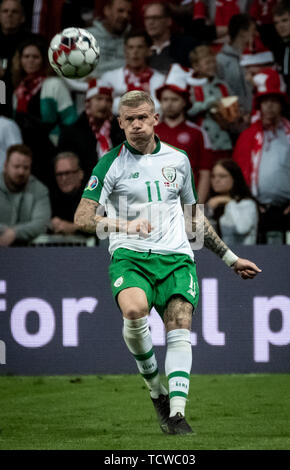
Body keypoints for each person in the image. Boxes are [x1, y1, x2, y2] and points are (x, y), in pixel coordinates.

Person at [74, 90, 261, 435]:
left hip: (176, 258)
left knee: (180, 326)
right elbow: (82, 217)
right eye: (129, 119)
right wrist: (122, 224)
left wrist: (231, 259)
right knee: (134, 312)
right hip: (130, 255)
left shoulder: (179, 160)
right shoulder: (110, 163)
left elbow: (194, 218)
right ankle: (155, 391)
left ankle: (176, 413)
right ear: (120, 123)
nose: (137, 125)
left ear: (155, 119)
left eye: (143, 117)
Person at [233, 68, 290, 243]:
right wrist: (250, 202)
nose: (269, 106)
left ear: (281, 104)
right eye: (265, 101)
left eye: (274, 101)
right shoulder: (248, 136)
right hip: (255, 209)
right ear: (259, 105)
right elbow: (238, 173)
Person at [11, 36, 77, 187]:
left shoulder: (54, 85)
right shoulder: (18, 90)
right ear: (20, 60)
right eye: (26, 56)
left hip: (49, 151)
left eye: (35, 57)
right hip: (25, 153)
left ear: (43, 60)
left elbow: (70, 121)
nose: (30, 61)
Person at [155, 81, 212, 203]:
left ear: (184, 102)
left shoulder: (198, 133)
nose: (169, 104)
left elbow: (205, 172)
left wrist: (198, 205)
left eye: (174, 99)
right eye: (165, 99)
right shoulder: (150, 132)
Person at [59, 79, 125, 180]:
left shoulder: (122, 131)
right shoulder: (71, 133)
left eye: (108, 100)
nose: (103, 104)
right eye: (99, 99)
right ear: (88, 102)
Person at [187, 45, 235, 166]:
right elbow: (188, 111)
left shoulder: (222, 86)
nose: (212, 65)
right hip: (203, 141)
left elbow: (232, 112)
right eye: (207, 62)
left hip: (223, 141)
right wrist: (205, 105)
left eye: (213, 61)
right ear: (196, 66)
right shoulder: (192, 87)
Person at [101, 30, 165, 115]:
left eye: (140, 47)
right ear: (125, 51)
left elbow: (162, 109)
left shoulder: (160, 80)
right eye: (131, 47)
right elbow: (104, 107)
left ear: (149, 51)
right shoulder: (109, 78)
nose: (135, 52)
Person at [0, 143, 51, 246]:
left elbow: (41, 223)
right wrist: (4, 231)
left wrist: (14, 233)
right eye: (16, 166)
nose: (21, 172)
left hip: (28, 253)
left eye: (26, 167)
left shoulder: (40, 190)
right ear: (5, 166)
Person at [206, 159, 259, 245]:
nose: (216, 180)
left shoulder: (248, 204)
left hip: (245, 254)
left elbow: (242, 228)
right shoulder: (212, 203)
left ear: (234, 178)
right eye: (213, 176)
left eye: (222, 176)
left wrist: (229, 202)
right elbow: (195, 238)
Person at [0, 0, 35, 116]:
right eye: (5, 11)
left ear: (22, 18)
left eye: (14, 12)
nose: (9, 14)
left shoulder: (32, 42)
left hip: (23, 97)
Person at [143, 2, 199, 73]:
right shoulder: (141, 48)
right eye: (147, 18)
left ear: (168, 21)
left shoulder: (187, 46)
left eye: (155, 18)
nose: (150, 22)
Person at [216, 13, 255, 114]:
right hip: (235, 122)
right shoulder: (220, 61)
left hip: (252, 119)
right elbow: (221, 95)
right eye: (252, 31)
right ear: (243, 32)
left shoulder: (250, 58)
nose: (255, 34)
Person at [87, 0, 133, 78]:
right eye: (120, 11)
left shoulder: (133, 39)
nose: (125, 16)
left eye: (129, 13)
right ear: (107, 10)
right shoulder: (86, 37)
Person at [50, 152, 86, 236]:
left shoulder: (94, 194)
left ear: (80, 174)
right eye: (59, 174)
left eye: (68, 173)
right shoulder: (51, 196)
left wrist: (75, 227)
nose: (64, 178)